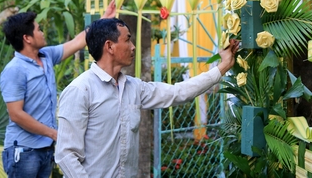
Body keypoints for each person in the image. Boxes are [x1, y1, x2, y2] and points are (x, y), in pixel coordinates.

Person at [55, 17, 240, 178]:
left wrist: (222, 67)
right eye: (127, 40)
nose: (133, 46)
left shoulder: (134, 88)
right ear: (109, 46)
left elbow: (179, 92)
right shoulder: (80, 90)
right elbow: (66, 155)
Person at [0, 0, 116, 178]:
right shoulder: (14, 70)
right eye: (38, 29)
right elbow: (16, 114)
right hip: (23, 151)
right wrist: (53, 133)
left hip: (45, 149)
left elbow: (78, 42)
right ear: (27, 38)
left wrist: (103, 21)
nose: (42, 32)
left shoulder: (46, 56)